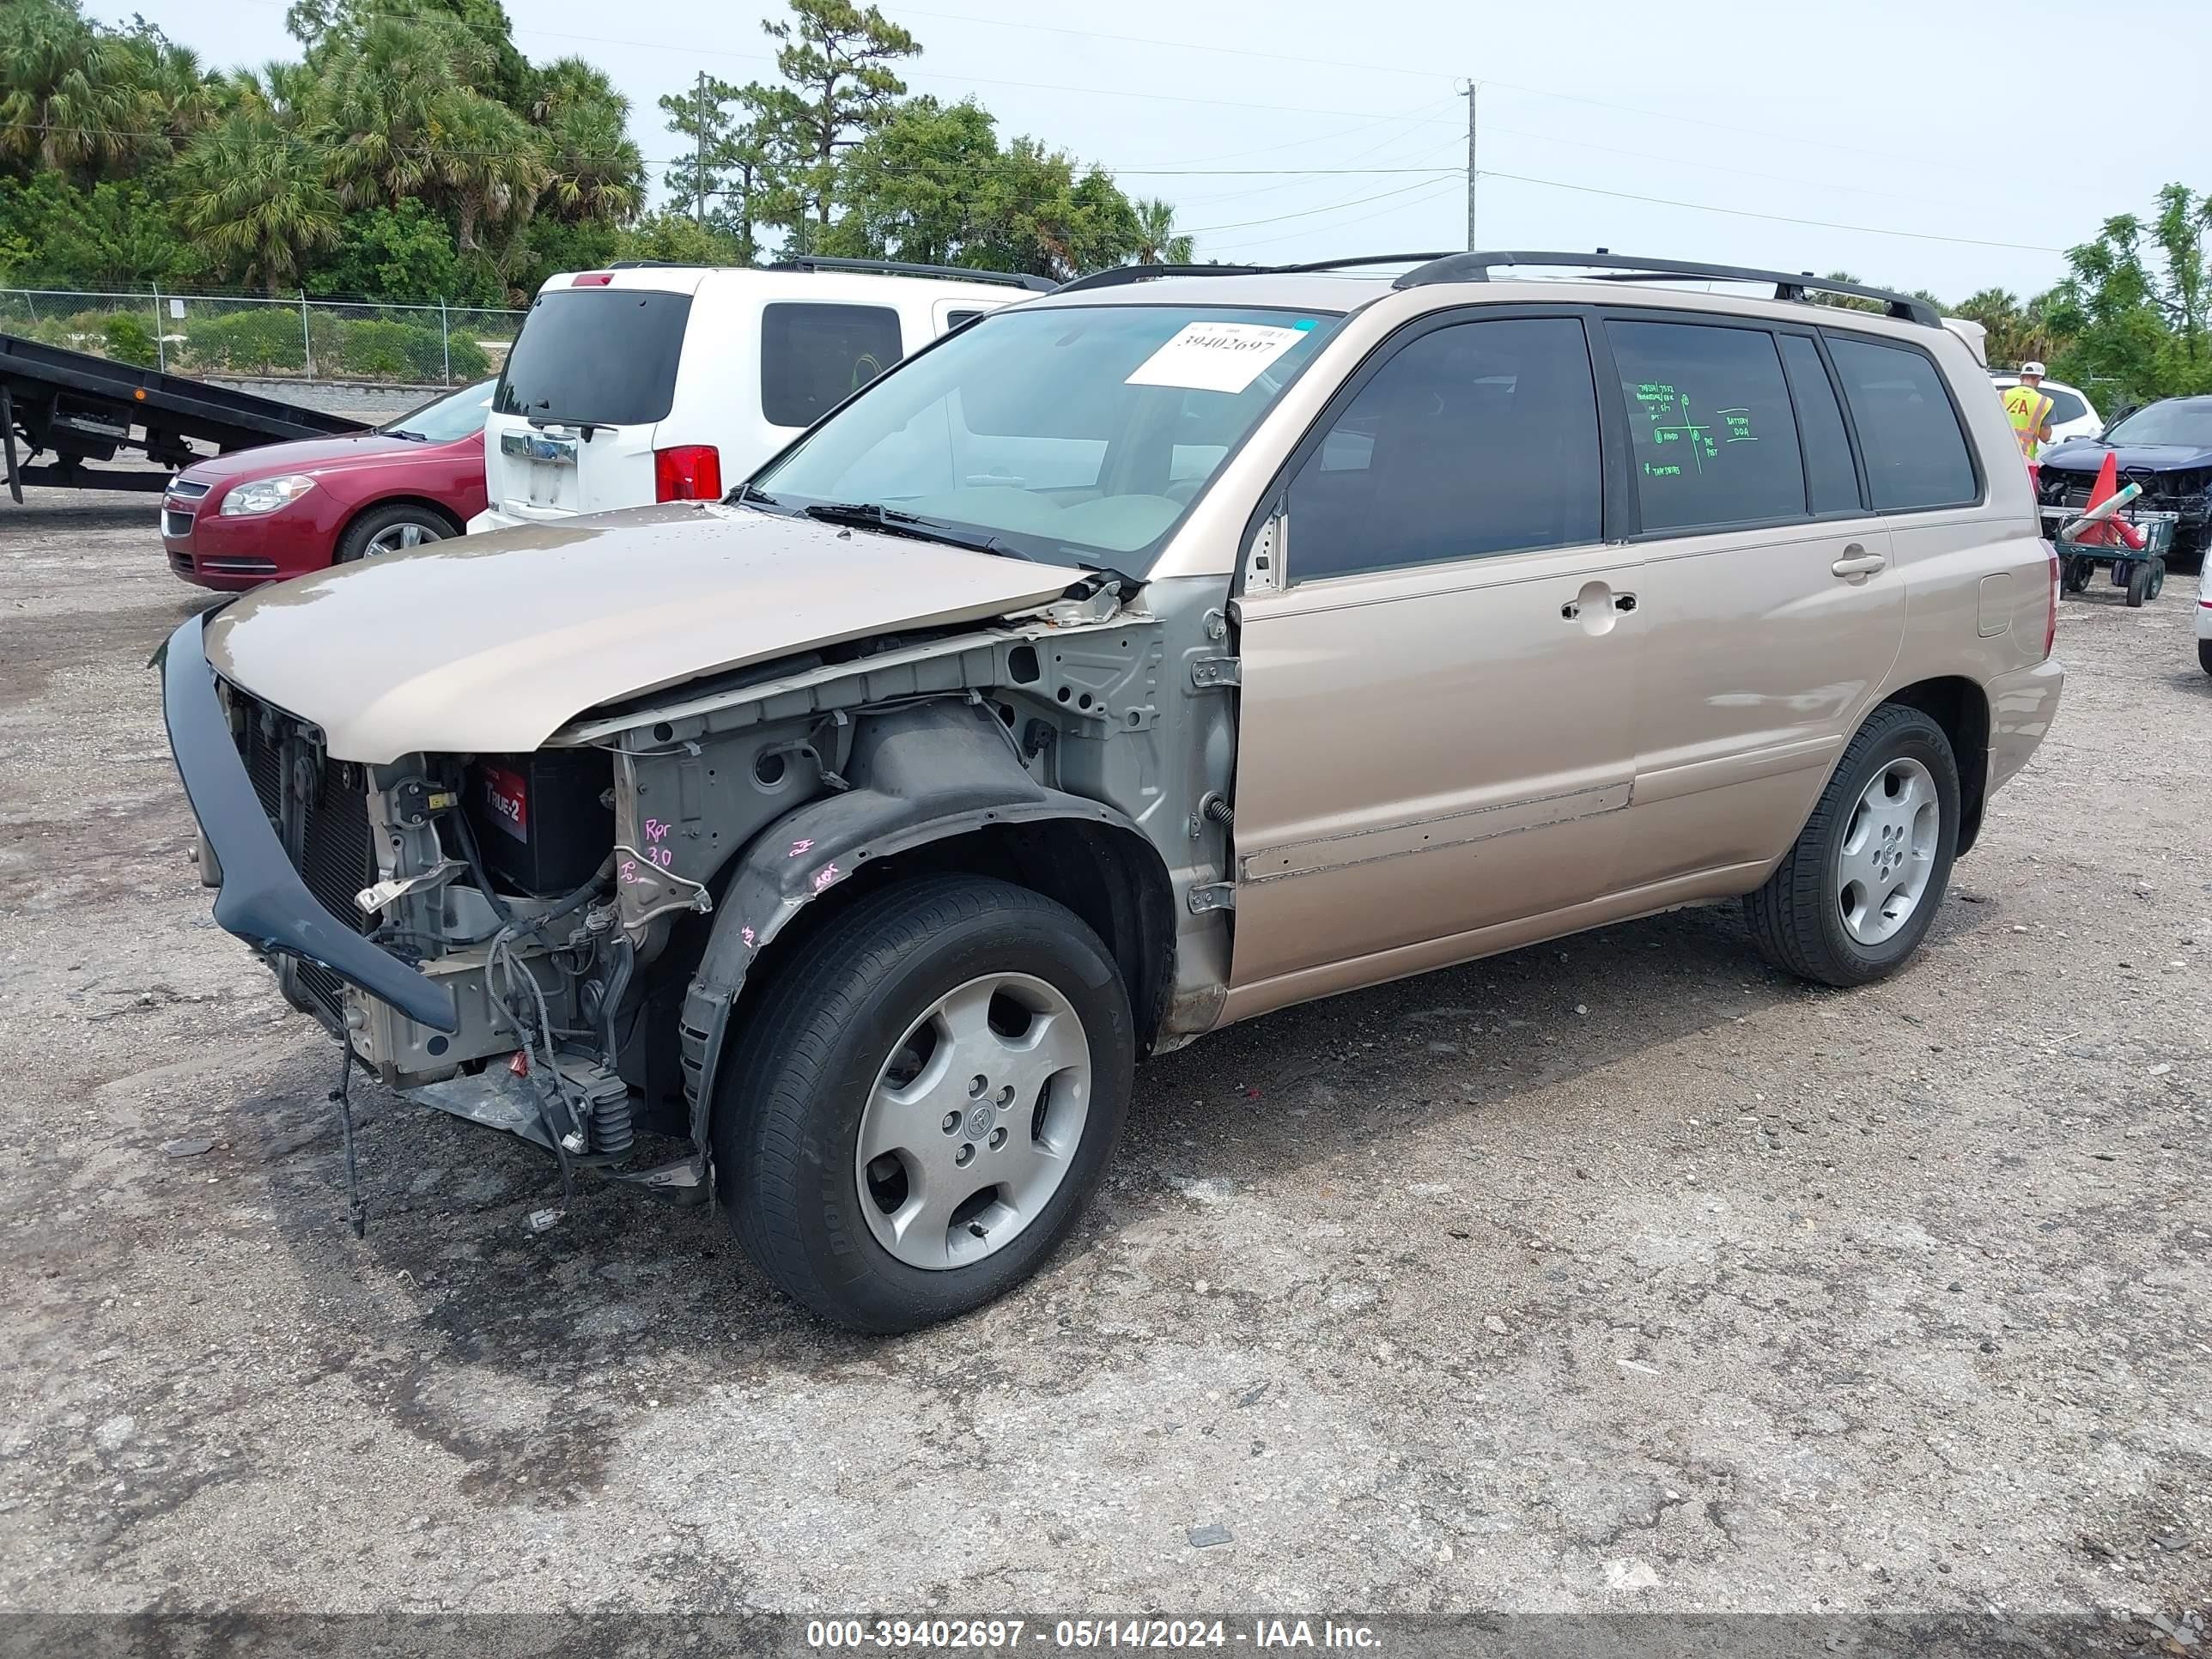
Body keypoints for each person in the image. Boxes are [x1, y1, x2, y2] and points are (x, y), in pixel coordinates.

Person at [2002, 362, 2057, 464]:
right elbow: (2045, 437)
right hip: (2024, 458)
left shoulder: (2002, 395)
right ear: (2038, 379)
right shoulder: (2044, 402)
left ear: (2021, 377)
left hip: (1999, 452)